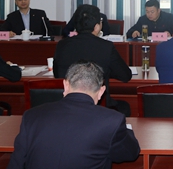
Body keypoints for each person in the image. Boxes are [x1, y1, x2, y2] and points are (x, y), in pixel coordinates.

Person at [8, 61, 140, 169]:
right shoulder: (112, 121)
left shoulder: (31, 115)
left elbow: (16, 163)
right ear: (101, 91)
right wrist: (126, 131)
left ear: (65, 85)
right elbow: (130, 153)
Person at [53, 4, 132, 115]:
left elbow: (57, 74)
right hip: (97, 108)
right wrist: (107, 71)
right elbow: (125, 75)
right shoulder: (106, 47)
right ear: (97, 26)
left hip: (67, 108)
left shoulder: (62, 45)